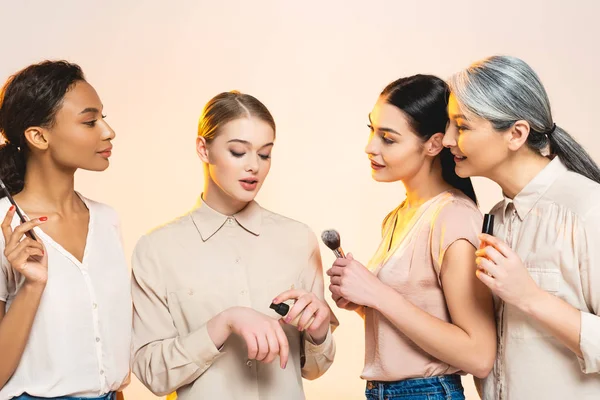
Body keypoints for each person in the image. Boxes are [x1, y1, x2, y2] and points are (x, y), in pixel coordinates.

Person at [131, 91, 338, 400]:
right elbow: (152, 374)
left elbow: (314, 368)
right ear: (203, 149)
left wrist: (319, 331)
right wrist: (223, 323)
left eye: (265, 154)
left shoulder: (298, 238)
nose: (253, 166)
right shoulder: (156, 249)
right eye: (239, 152)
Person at [328, 75, 496, 400]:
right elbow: (416, 316)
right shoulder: (396, 217)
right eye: (372, 131)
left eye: (388, 139)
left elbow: (479, 355)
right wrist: (362, 301)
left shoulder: (453, 218)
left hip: (427, 392)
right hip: (382, 392)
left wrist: (377, 293)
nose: (370, 147)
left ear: (433, 144)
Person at [444, 55, 600, 399]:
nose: (447, 140)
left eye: (463, 126)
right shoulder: (495, 218)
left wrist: (530, 297)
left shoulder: (589, 209)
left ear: (516, 134)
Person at [0, 61, 131, 400]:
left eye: (104, 118)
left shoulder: (107, 220)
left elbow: (109, 356)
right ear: (38, 136)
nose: (107, 131)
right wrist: (32, 286)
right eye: (90, 122)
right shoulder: (5, 227)